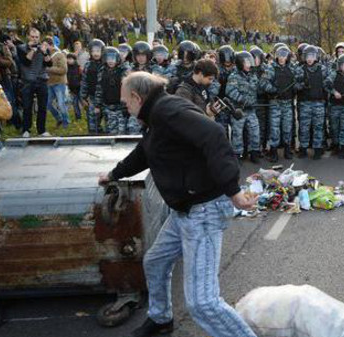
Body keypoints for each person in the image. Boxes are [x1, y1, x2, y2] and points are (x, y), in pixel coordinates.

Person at [98, 72, 258, 337]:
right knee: (155, 261)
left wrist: (233, 191)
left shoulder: (168, 110)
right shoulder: (156, 115)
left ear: (137, 97)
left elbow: (215, 135)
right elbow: (145, 152)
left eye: (126, 101)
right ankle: (161, 319)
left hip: (203, 210)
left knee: (203, 304)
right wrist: (115, 174)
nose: (125, 107)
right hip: (185, 209)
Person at [260, 46, 302, 162]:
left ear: (287, 56)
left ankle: (287, 149)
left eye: (284, 55)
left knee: (287, 127)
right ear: (276, 56)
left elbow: (298, 82)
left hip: (287, 102)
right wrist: (273, 89)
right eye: (280, 55)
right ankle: (273, 151)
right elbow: (263, 83)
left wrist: (302, 84)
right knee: (274, 128)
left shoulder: (292, 68)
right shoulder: (271, 68)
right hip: (275, 103)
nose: (282, 58)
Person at [225, 51, 260, 163]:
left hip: (251, 110)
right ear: (240, 63)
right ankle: (238, 154)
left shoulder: (253, 76)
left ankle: (254, 152)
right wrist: (243, 100)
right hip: (239, 110)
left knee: (255, 131)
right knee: (237, 133)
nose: (249, 64)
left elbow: (257, 89)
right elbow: (230, 91)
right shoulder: (233, 76)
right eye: (246, 62)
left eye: (250, 62)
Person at [17, 27, 52, 137]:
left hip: (42, 80)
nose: (35, 39)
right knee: (27, 107)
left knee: (42, 107)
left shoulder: (43, 47)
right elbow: (26, 62)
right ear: (28, 37)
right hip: (28, 81)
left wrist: (45, 52)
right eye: (32, 37)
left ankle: (41, 130)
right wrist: (32, 50)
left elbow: (49, 63)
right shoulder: (21, 47)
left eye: (37, 37)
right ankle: (26, 129)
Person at [297, 45, 327, 160]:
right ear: (304, 57)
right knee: (304, 127)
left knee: (318, 127)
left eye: (312, 56)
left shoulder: (322, 69)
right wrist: (302, 85)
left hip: (319, 102)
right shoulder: (300, 69)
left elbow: (328, 83)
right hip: (305, 103)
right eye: (307, 56)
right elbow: (293, 85)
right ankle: (303, 149)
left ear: (316, 57)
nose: (310, 59)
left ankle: (318, 149)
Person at [324, 54, 344, 159]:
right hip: (335, 105)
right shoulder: (334, 74)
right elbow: (326, 84)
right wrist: (334, 92)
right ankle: (336, 145)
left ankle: (343, 147)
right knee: (334, 127)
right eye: (342, 65)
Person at [95, 47, 131, 135]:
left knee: (122, 132)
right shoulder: (102, 71)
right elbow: (99, 89)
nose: (111, 61)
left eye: (113, 58)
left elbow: (127, 85)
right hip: (108, 106)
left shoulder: (123, 69)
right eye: (108, 58)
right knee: (111, 132)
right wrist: (97, 105)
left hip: (121, 107)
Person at [80, 38, 105, 134]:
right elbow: (84, 81)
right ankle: (93, 134)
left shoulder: (106, 64)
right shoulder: (88, 65)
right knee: (93, 120)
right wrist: (83, 97)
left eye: (98, 51)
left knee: (108, 120)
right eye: (93, 51)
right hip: (92, 97)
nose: (96, 53)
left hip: (105, 98)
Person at [45, 36, 69, 128]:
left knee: (61, 104)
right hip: (49, 83)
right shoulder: (45, 55)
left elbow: (63, 70)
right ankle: (59, 118)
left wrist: (49, 69)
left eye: (45, 45)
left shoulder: (59, 55)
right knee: (48, 104)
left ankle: (65, 122)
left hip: (59, 83)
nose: (44, 47)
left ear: (50, 45)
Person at [66, 53, 82, 121]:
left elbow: (82, 76)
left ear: (74, 59)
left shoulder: (78, 67)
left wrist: (81, 84)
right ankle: (78, 117)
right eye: (68, 59)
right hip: (72, 89)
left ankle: (89, 114)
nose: (68, 60)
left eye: (70, 59)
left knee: (83, 102)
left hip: (80, 88)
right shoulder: (66, 68)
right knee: (75, 104)